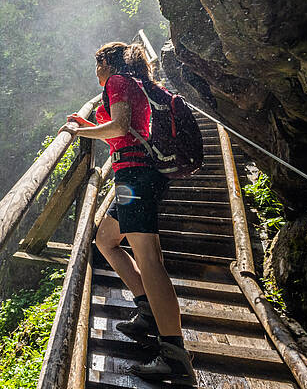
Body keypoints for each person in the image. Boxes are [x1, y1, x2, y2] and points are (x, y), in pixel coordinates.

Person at [58, 42, 197, 385]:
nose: (96, 72)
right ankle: (149, 311)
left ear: (105, 62)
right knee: (106, 240)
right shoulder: (132, 83)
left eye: (97, 64)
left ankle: (174, 356)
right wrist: (88, 123)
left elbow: (119, 128)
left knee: (149, 259)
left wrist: (80, 130)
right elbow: (124, 131)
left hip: (135, 176)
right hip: (133, 176)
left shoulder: (117, 82)